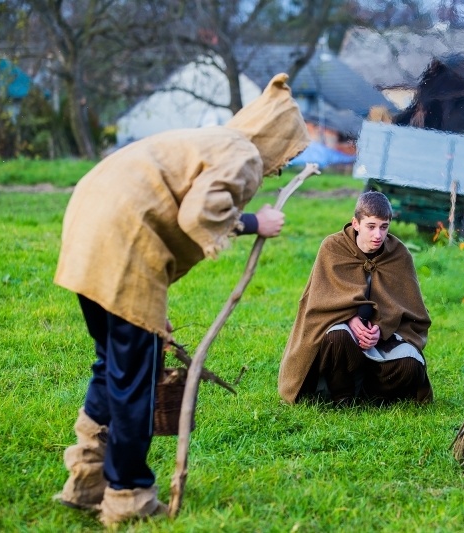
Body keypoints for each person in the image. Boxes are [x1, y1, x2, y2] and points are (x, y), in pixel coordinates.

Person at [53, 73, 309, 526]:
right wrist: (256, 222)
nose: (277, 169)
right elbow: (199, 213)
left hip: (88, 232)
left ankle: (87, 477)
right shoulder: (244, 152)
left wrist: (156, 313)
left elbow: (164, 209)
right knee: (136, 377)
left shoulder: (210, 140)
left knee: (111, 362)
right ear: (273, 138)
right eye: (285, 156)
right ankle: (126, 493)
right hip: (122, 242)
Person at [279, 191, 433, 406]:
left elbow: (412, 314)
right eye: (371, 226)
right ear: (356, 223)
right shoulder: (333, 247)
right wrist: (348, 318)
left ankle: (371, 395)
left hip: (383, 340)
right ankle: (342, 396)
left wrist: (381, 328)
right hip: (341, 336)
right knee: (338, 336)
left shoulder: (399, 254)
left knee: (411, 365)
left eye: (384, 227)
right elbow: (318, 304)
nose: (378, 235)